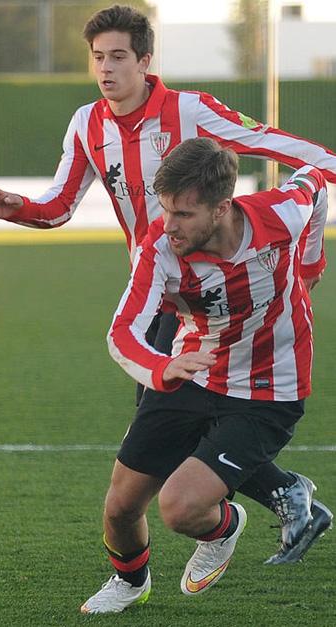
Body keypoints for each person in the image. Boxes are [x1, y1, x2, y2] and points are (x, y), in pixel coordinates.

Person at [0, 3, 333, 566]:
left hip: (213, 297)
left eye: (119, 56)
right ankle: (269, 500)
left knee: (178, 423)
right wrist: (20, 207)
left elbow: (284, 149)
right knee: (171, 425)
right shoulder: (86, 124)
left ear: (145, 60)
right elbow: (60, 206)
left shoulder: (190, 112)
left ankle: (246, 512)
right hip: (156, 291)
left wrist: (313, 248)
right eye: (98, 58)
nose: (106, 69)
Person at [80, 137, 327, 612]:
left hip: (268, 386)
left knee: (181, 508)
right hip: (190, 370)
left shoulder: (281, 213)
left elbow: (315, 184)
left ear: (222, 209)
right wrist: (162, 367)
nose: (168, 225)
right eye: (166, 210)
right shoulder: (160, 249)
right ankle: (130, 583)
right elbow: (122, 331)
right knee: (121, 508)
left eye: (183, 215)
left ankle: (221, 529)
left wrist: (310, 262)